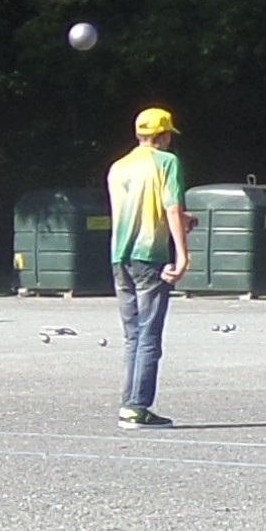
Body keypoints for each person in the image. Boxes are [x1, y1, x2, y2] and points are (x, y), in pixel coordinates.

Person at [108, 107, 191, 429]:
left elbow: (138, 207)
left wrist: (183, 221)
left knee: (133, 335)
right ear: (165, 135)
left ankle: (129, 403)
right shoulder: (167, 162)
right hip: (149, 254)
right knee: (150, 335)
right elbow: (170, 208)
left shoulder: (119, 166)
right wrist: (182, 255)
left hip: (120, 255)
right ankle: (137, 406)